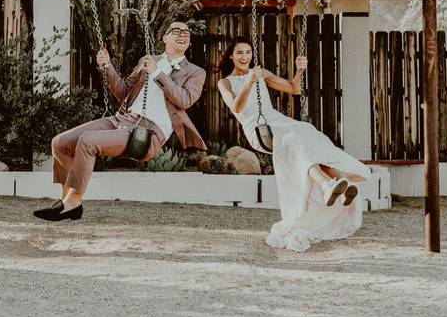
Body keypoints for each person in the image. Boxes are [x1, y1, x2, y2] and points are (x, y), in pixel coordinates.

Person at [34, 21, 207, 222]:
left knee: (89, 141)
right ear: (165, 38)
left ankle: (73, 201)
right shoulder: (147, 61)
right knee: (60, 142)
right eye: (176, 31)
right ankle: (67, 199)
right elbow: (124, 92)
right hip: (122, 119)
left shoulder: (195, 72)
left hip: (149, 131)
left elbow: (184, 100)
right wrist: (107, 66)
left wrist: (158, 74)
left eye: (186, 32)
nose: (182, 34)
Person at [217, 36, 371, 251]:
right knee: (296, 139)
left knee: (306, 132)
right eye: (240, 53)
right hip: (259, 129)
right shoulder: (225, 82)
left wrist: (300, 70)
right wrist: (250, 81)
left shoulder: (261, 74)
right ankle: (331, 182)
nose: (245, 57)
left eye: (248, 52)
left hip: (279, 122)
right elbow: (237, 107)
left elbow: (294, 88)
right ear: (231, 56)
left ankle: (333, 185)